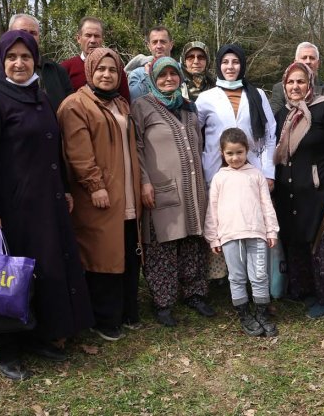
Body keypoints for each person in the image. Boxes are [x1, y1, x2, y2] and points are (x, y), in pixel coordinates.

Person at [0, 30, 94, 380]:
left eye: (25, 57)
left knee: (43, 270)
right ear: (2, 62)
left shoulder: (40, 97)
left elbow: (54, 149)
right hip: (9, 209)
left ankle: (39, 335)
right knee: (8, 276)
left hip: (45, 202)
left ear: (35, 60)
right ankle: (8, 348)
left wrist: (64, 188)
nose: (19, 63)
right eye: (12, 57)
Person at [57, 47, 142, 341]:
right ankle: (104, 319)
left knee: (128, 250)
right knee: (102, 256)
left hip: (126, 192)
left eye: (113, 70)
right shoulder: (75, 105)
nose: (107, 75)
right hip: (100, 195)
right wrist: (95, 186)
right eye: (101, 70)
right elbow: (78, 153)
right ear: (90, 71)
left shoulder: (121, 104)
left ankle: (127, 311)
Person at [131, 56, 215, 327]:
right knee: (162, 244)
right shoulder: (142, 106)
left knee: (193, 239)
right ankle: (163, 302)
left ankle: (194, 293)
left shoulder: (189, 107)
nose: (168, 78)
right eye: (162, 75)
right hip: (160, 186)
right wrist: (144, 181)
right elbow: (138, 147)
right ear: (153, 80)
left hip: (192, 187)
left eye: (173, 74)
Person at [272, 62, 324, 319]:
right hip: (292, 191)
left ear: (310, 84)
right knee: (298, 238)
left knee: (323, 242)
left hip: (320, 189)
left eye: (301, 82)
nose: (295, 87)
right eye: (290, 82)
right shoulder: (282, 114)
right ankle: (305, 290)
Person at [204, 128, 280, 336]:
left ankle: (262, 313)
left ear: (247, 151)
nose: (235, 157)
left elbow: (266, 205)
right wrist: (213, 237)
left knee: (259, 275)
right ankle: (244, 314)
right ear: (222, 153)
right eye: (230, 153)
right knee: (237, 277)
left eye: (239, 152)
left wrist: (271, 231)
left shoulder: (256, 175)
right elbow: (213, 209)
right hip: (230, 236)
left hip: (256, 233)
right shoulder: (220, 178)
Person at [197, 44, 277, 185]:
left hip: (252, 168)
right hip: (216, 171)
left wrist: (269, 172)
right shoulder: (205, 98)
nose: (230, 67)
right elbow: (193, 134)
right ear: (218, 65)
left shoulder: (258, 95)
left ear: (242, 65)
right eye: (225, 62)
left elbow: (269, 134)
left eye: (235, 62)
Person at [0, 13, 73, 111]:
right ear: (9, 33)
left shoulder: (56, 70)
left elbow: (70, 107)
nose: (28, 37)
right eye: (22, 31)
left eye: (33, 33)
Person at [60, 16, 130, 101]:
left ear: (102, 39)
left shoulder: (115, 68)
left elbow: (125, 102)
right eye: (88, 35)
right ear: (79, 38)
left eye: (97, 36)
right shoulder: (65, 68)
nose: (92, 40)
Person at [269, 42, 324, 115]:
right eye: (304, 58)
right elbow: (274, 118)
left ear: (318, 63)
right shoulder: (280, 88)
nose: (308, 61)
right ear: (295, 62)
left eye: (312, 58)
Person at [127, 26, 174, 101]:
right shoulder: (138, 74)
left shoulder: (180, 70)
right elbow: (134, 99)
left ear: (171, 45)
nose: (159, 46)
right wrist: (147, 77)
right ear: (149, 46)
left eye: (163, 42)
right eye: (154, 42)